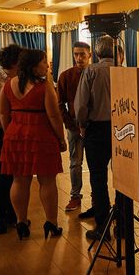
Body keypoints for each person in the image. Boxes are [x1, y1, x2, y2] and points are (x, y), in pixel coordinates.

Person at [0, 49, 66, 239]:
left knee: (19, 180)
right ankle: (51, 223)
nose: (47, 65)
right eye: (44, 62)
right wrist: (61, 138)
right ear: (35, 66)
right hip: (41, 134)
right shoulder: (45, 87)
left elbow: (3, 113)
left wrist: (9, 132)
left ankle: (21, 222)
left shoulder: (9, 84)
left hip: (15, 134)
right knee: (47, 180)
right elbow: (54, 115)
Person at [74, 36, 115, 239]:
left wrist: (82, 125)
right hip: (123, 129)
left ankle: (103, 226)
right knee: (125, 178)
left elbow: (81, 105)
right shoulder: (124, 70)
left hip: (96, 130)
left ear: (97, 53)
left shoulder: (91, 71)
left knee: (98, 178)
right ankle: (123, 225)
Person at [57, 41, 91, 212]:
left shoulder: (95, 74)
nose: (79, 58)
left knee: (95, 164)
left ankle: (97, 197)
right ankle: (75, 196)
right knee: (75, 163)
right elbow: (59, 103)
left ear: (89, 55)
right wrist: (69, 124)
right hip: (74, 126)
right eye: (76, 54)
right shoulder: (66, 76)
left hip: (93, 127)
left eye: (82, 54)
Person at [0, 44, 21, 234]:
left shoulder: (16, 80)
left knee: (10, 174)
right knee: (5, 174)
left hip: (8, 131)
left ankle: (10, 215)